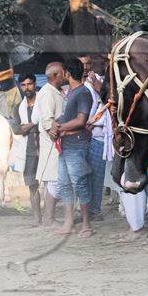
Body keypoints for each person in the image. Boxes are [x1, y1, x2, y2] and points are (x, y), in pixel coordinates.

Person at [50, 58, 93, 238]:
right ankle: (69, 222)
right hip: (67, 145)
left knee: (80, 183)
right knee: (65, 184)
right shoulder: (71, 92)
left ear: (67, 73)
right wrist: (55, 124)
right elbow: (66, 117)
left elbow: (81, 120)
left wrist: (59, 127)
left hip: (77, 145)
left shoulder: (83, 92)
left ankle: (86, 224)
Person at [35, 62, 67, 226]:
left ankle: (50, 217)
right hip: (53, 143)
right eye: (63, 73)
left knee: (57, 181)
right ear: (56, 76)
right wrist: (55, 135)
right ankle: (48, 219)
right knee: (53, 182)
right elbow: (47, 121)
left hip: (59, 142)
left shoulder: (58, 91)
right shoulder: (47, 93)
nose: (65, 75)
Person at [11, 74, 42, 224]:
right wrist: (34, 123)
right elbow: (17, 130)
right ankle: (37, 218)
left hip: (45, 147)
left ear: (35, 84)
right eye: (23, 85)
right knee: (32, 185)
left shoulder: (43, 102)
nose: (26, 88)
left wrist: (27, 127)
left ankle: (50, 216)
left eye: (29, 84)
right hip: (28, 151)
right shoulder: (19, 107)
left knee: (51, 184)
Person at [83, 55, 110, 220]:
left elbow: (96, 107)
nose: (86, 68)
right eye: (83, 65)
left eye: (88, 64)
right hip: (88, 133)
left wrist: (89, 122)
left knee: (96, 175)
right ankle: (90, 209)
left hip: (97, 135)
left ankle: (94, 210)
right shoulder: (85, 85)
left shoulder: (98, 82)